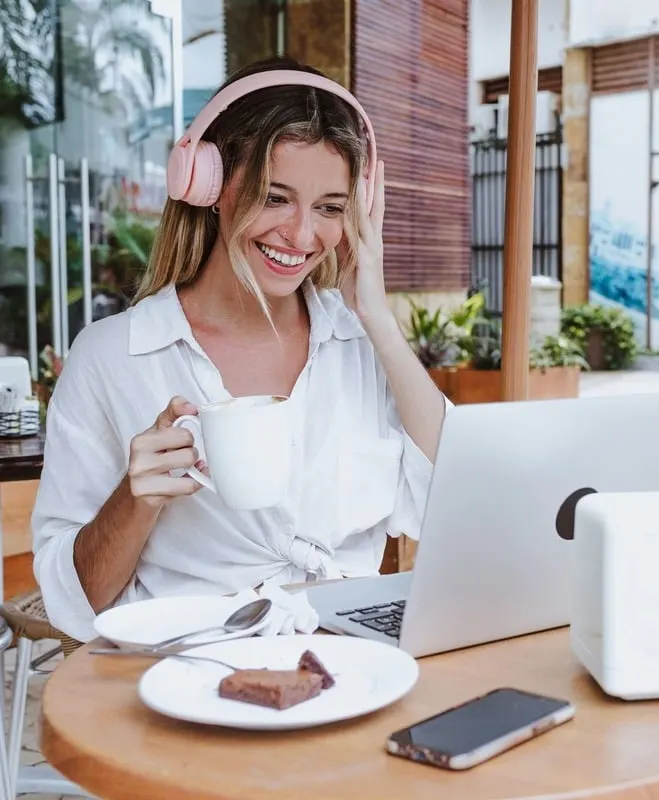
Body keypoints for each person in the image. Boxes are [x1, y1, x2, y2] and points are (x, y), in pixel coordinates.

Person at [32, 58, 449, 643]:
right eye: (275, 197)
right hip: (191, 676)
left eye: (330, 207)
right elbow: (75, 603)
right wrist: (135, 500)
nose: (303, 236)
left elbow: (454, 500)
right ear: (209, 183)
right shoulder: (112, 356)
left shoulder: (363, 344)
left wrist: (376, 316)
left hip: (351, 670)